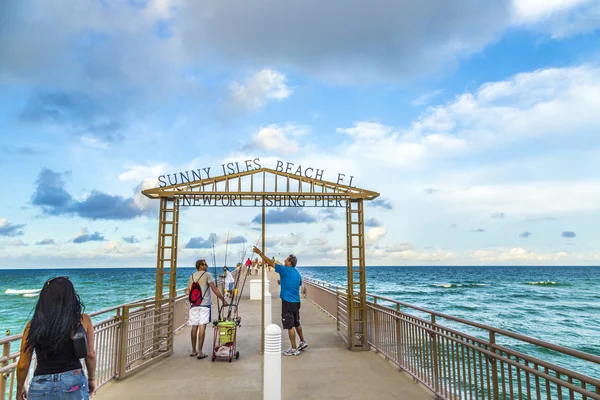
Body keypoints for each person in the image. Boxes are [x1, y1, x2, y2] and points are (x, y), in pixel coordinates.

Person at [16, 277, 96, 399]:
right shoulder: (83, 320)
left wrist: (20, 388)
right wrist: (91, 379)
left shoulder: (32, 325)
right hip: (74, 382)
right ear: (71, 296)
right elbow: (90, 354)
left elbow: (23, 364)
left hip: (41, 385)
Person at [253, 247, 307, 356]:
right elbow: (298, 284)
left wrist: (260, 253)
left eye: (286, 260)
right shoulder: (297, 273)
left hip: (288, 302)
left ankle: (293, 348)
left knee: (289, 325)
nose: (284, 261)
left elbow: (269, 262)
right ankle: (302, 342)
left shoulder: (284, 270)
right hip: (297, 302)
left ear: (290, 263)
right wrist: (283, 282)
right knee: (297, 322)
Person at [186, 259, 228, 359]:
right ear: (200, 266)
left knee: (194, 327)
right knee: (202, 327)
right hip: (204, 305)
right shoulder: (207, 275)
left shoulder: (191, 276)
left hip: (194, 305)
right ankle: (200, 352)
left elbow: (189, 291)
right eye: (205, 264)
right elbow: (214, 289)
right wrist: (223, 300)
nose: (207, 266)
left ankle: (193, 350)